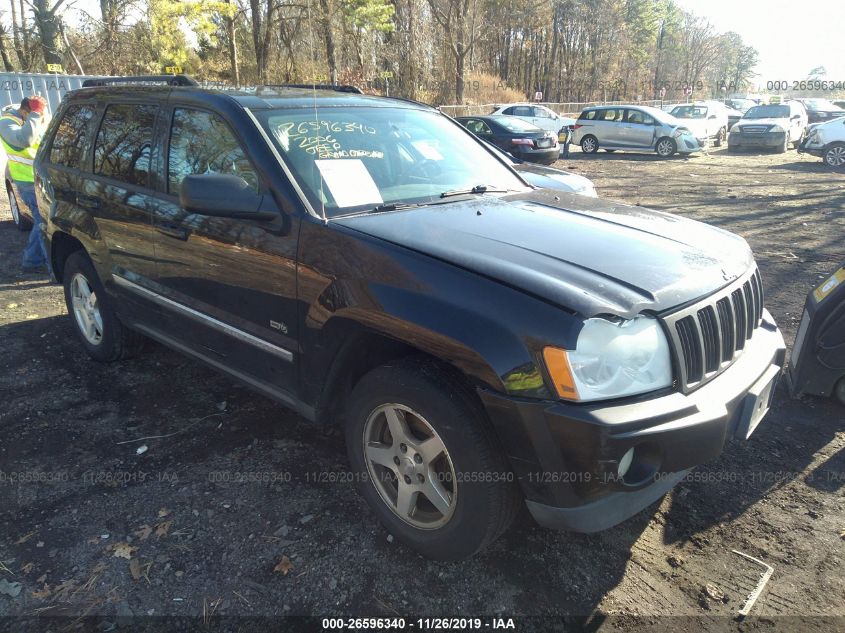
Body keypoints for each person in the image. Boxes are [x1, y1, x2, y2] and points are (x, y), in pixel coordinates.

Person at [1, 95, 51, 273]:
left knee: (43, 222)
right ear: (25, 112)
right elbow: (25, 141)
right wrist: (35, 115)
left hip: (41, 179)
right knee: (43, 222)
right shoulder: (6, 123)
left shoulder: (31, 118)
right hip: (27, 182)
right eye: (36, 114)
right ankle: (45, 265)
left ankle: (32, 261)